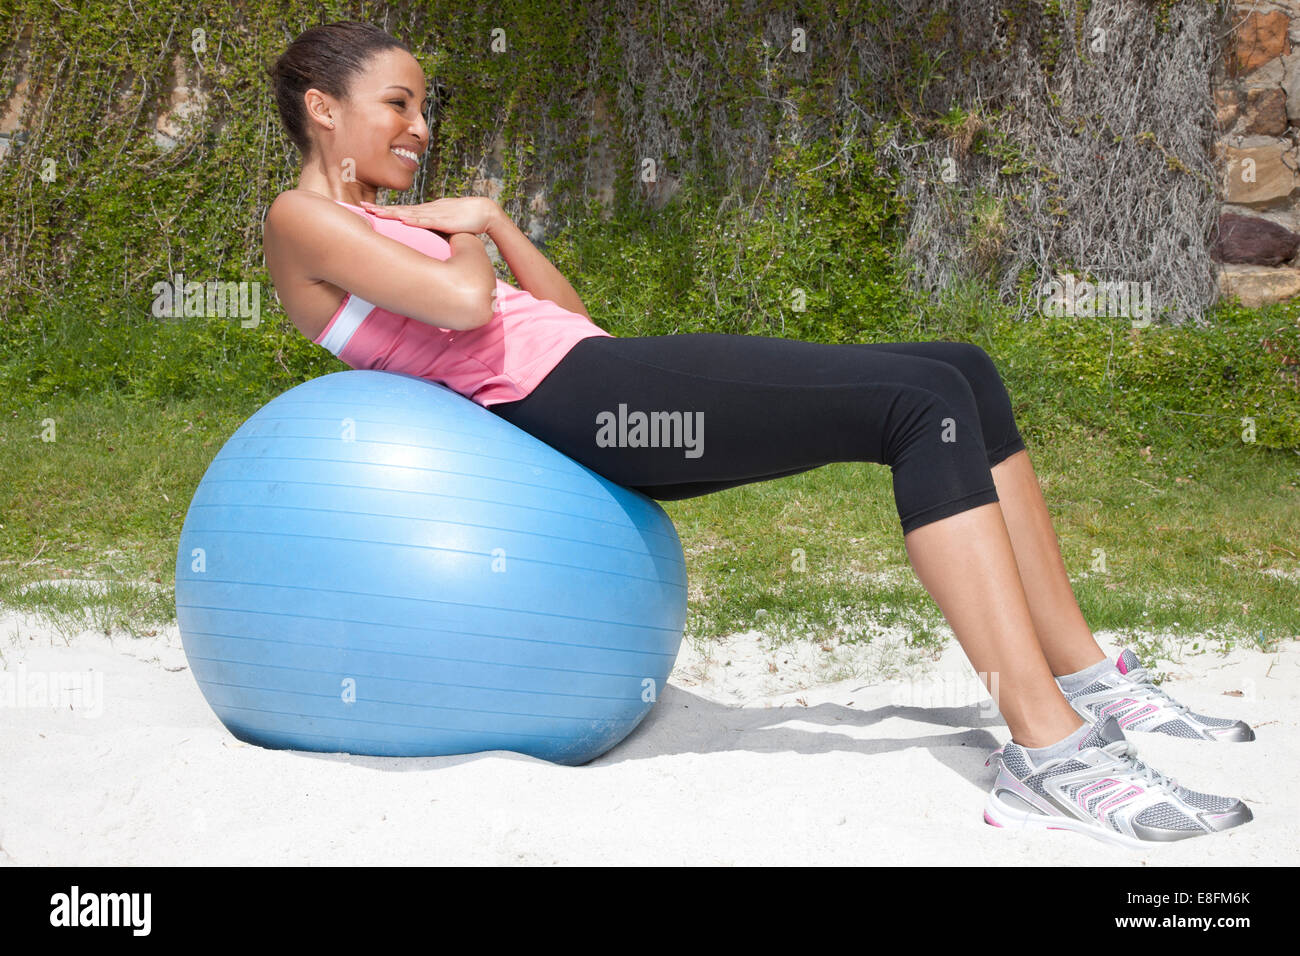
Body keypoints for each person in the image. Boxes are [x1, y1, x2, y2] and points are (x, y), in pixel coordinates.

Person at [261, 20, 1256, 848]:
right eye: (399, 103)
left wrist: (496, 221)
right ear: (322, 106)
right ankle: (1045, 746)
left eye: (422, 105)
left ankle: (1084, 679)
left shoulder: (394, 221)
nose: (421, 125)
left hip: (596, 370)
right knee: (919, 407)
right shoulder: (301, 218)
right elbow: (469, 306)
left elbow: (567, 315)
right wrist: (467, 232)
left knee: (961, 367)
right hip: (586, 408)